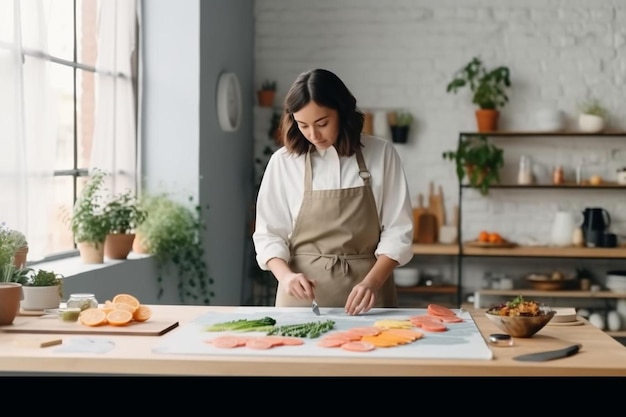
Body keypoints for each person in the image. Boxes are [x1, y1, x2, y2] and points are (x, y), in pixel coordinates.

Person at [252, 68, 414, 315]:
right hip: (300, 302)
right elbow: (268, 234)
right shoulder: (283, 162)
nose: (313, 135)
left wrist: (373, 282)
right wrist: (285, 277)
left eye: (322, 123)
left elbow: (398, 230)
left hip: (368, 298)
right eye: (303, 125)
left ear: (342, 112)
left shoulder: (381, 154)